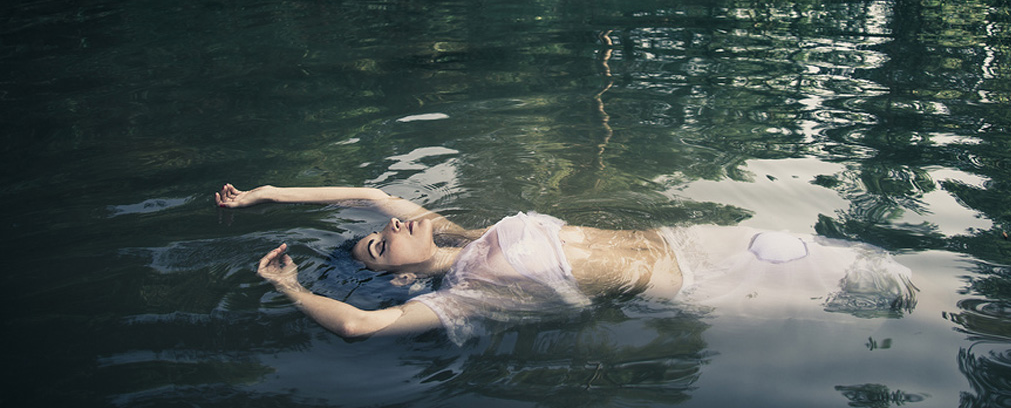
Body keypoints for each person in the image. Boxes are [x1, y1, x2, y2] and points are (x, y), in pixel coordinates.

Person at [217, 183, 917, 345]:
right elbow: (359, 326)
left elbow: (370, 194)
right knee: (898, 300)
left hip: (697, 240)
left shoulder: (473, 235)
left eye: (384, 229)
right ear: (401, 275)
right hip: (705, 284)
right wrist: (289, 285)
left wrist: (268, 193)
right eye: (380, 243)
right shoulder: (466, 293)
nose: (390, 224)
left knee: (895, 267)